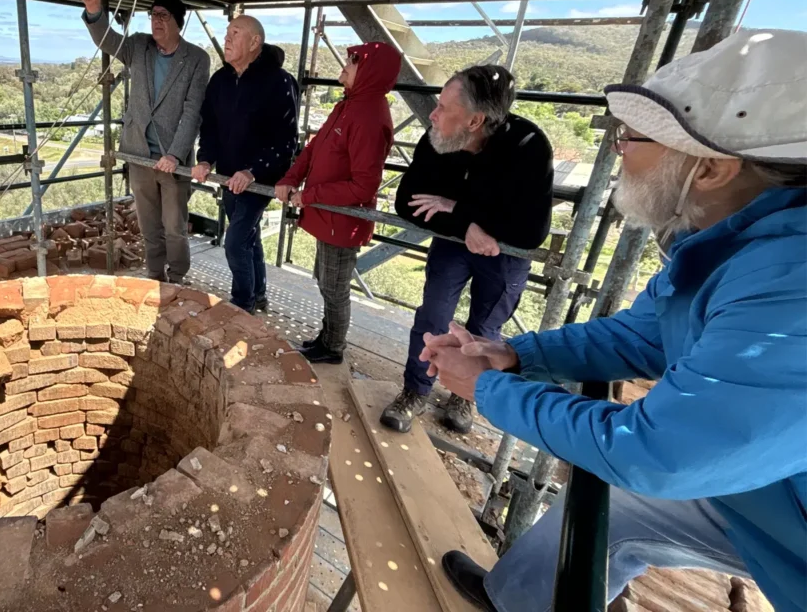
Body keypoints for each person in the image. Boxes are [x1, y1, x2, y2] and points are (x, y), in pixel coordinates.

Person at [421, 30, 807, 612]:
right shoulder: (728, 242)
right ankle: (514, 599)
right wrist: (516, 356)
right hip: (760, 484)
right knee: (608, 510)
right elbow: (639, 334)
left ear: (710, 169)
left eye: (633, 137)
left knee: (622, 487)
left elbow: (658, 450)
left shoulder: (789, 286)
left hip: (781, 509)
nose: (618, 150)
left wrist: (486, 386)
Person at [382, 65, 553, 434]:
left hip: (506, 255)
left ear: (475, 121)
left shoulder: (528, 145)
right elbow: (406, 202)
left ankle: (467, 395)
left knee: (486, 329)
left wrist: (457, 209)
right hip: (455, 242)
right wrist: (466, 225)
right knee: (432, 317)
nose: (433, 113)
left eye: (443, 106)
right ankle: (415, 390)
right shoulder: (438, 138)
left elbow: (530, 231)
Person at [77, 0, 210, 284]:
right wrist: (94, 10)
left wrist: (176, 155)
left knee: (174, 226)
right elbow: (107, 41)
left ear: (179, 21)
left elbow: (193, 112)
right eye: (152, 14)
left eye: (163, 15)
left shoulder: (196, 59)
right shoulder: (139, 46)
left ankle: (177, 276)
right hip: (138, 154)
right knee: (150, 224)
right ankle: (155, 274)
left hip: (171, 161)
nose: (156, 20)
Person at [275, 42, 402, 364]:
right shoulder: (349, 106)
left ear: (371, 72)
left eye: (353, 62)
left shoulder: (369, 117)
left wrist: (310, 195)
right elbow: (314, 150)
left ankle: (332, 348)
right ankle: (326, 338)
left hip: (342, 219)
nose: (345, 66)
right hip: (329, 216)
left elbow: (363, 186)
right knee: (326, 281)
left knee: (334, 288)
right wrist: (291, 178)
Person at [192, 16, 299, 313]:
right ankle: (259, 293)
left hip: (259, 179)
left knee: (235, 242)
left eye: (235, 33)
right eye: (227, 33)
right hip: (228, 176)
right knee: (249, 237)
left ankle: (243, 304)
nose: (227, 39)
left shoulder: (279, 82)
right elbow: (210, 127)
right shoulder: (220, 80)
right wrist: (205, 159)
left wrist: (253, 171)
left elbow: (286, 140)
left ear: (255, 43)